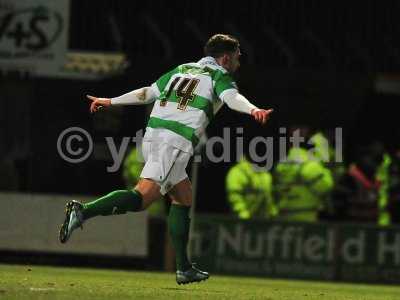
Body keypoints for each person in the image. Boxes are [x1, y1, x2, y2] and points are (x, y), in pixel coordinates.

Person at [58, 34, 273, 284]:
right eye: (237, 58)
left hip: (153, 137)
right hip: (175, 143)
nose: (238, 63)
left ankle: (184, 268)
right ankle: (83, 211)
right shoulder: (219, 76)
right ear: (225, 58)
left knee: (183, 196)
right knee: (143, 197)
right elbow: (231, 98)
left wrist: (111, 100)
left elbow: (147, 93)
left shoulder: (181, 69)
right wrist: (253, 109)